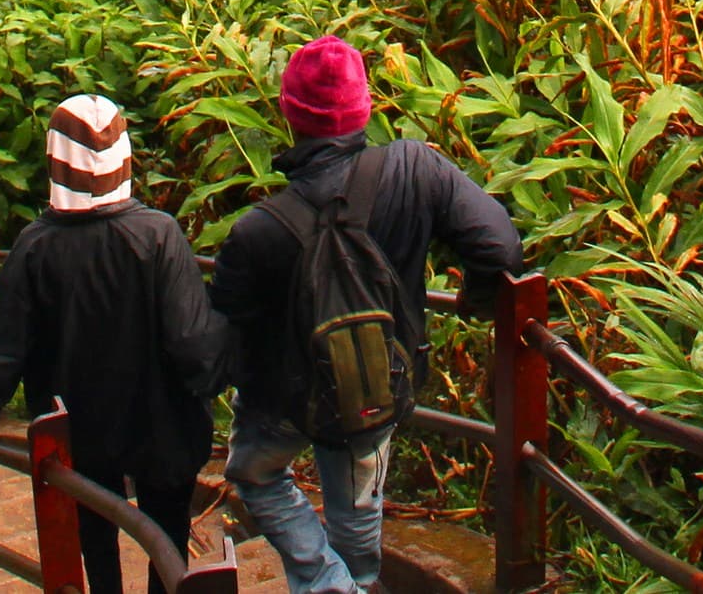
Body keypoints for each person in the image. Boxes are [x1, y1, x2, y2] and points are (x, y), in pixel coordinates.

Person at [211, 36, 523, 594]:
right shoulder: (416, 168)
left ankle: (327, 583)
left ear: (289, 112)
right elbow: (499, 247)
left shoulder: (257, 230)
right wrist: (477, 301)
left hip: (285, 399)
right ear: (365, 107)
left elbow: (229, 332)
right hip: (378, 384)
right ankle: (352, 581)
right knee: (357, 512)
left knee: (254, 474)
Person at [0, 96, 222, 594]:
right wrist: (221, 379)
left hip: (78, 431)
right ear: (124, 159)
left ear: (54, 160)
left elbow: (0, 352)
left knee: (94, 533)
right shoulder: (159, 235)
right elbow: (193, 343)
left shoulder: (36, 245)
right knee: (168, 540)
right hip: (161, 423)